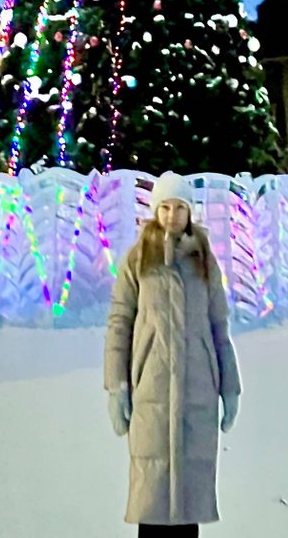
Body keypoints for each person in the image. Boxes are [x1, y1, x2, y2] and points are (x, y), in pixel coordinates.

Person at [105, 173, 239, 537]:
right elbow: (120, 323)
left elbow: (219, 327)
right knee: (153, 493)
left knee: (188, 504)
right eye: (164, 206)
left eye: (179, 207)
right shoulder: (137, 259)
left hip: (198, 389)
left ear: (189, 212)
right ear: (154, 210)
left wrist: (231, 387)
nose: (171, 215)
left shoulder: (204, 261)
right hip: (152, 388)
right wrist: (116, 385)